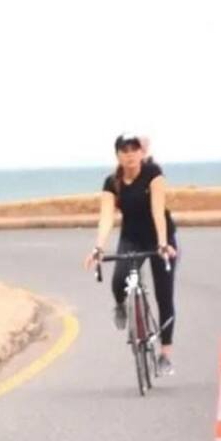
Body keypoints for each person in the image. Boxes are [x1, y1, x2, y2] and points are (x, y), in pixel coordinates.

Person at [83, 133, 179, 374]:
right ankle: (121, 305)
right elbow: (106, 217)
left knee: (164, 294)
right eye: (124, 150)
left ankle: (165, 353)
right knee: (118, 281)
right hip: (132, 238)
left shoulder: (153, 174)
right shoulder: (112, 183)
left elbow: (158, 211)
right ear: (117, 155)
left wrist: (162, 243)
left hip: (160, 238)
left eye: (134, 149)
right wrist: (98, 247)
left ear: (141, 153)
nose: (130, 154)